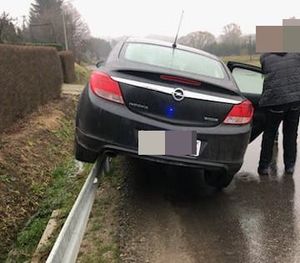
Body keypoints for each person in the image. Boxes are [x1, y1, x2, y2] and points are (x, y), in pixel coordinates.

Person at [258, 52, 300, 175]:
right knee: (291, 134)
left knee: (269, 134)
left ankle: (264, 166)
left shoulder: (265, 57)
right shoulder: (296, 54)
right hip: (295, 100)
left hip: (274, 100)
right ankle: (289, 166)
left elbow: (264, 72)